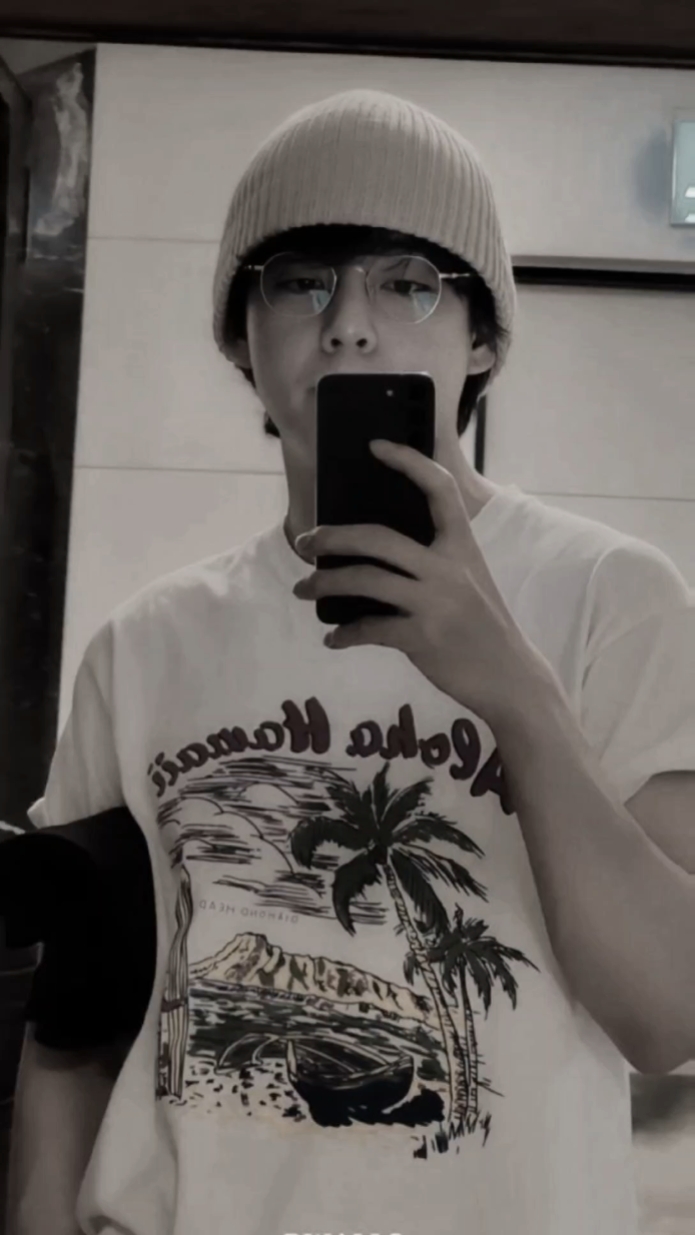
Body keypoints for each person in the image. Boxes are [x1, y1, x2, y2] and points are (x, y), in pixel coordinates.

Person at [7, 88, 695, 1235]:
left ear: (482, 335)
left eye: (407, 281)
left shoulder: (611, 596)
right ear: (239, 334)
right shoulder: (143, 644)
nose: (347, 325)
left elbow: (666, 1015)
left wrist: (512, 689)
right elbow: (72, 1025)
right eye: (299, 281)